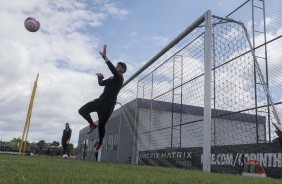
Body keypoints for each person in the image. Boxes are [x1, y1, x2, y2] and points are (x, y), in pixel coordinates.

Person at [78, 44, 127, 152]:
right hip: (100, 101)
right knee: (82, 110)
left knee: (102, 125)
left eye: (118, 66)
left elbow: (112, 69)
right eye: (117, 66)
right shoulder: (111, 78)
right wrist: (99, 78)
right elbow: (101, 84)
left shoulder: (120, 78)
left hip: (108, 105)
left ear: (122, 70)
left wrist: (105, 57)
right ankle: (91, 124)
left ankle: (100, 142)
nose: (116, 67)